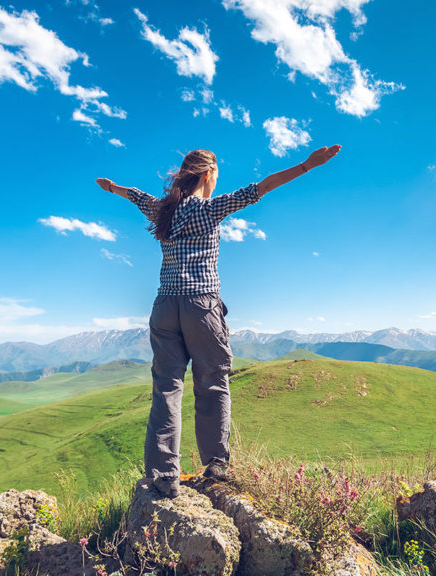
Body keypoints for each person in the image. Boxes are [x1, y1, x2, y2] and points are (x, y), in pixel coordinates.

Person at [96, 144, 342, 497]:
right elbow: (261, 188)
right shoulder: (210, 209)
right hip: (201, 306)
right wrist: (307, 165)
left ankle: (164, 474)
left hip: (165, 305)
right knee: (211, 383)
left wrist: (114, 188)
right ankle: (215, 465)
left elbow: (137, 196)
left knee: (166, 387)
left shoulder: (163, 210)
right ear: (209, 174)